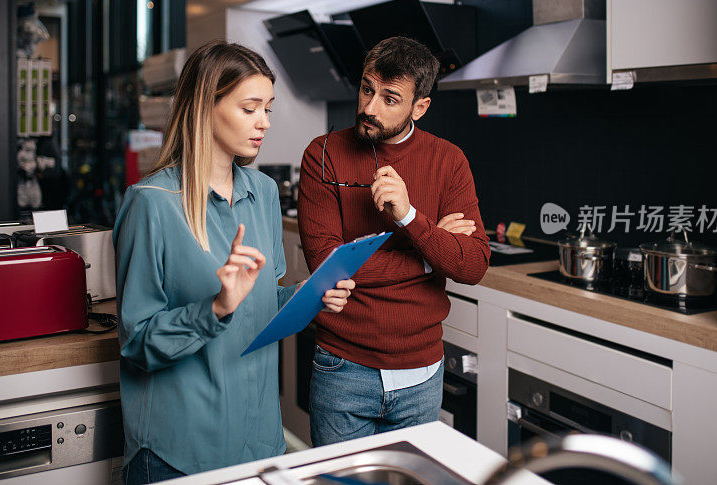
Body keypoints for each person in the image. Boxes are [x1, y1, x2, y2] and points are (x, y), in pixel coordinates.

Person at [114, 40, 355, 484]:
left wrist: (309, 295)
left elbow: (263, 304)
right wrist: (215, 309)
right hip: (181, 449)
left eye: (269, 108)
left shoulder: (263, 192)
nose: (264, 123)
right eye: (250, 108)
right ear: (205, 107)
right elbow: (136, 345)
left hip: (260, 439)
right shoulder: (152, 204)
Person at [297, 36, 491, 446]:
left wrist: (409, 217)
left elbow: (472, 266)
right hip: (342, 366)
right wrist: (431, 255)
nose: (369, 107)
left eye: (389, 98)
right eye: (367, 89)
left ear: (419, 107)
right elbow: (328, 264)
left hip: (422, 373)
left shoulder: (449, 160)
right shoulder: (324, 153)